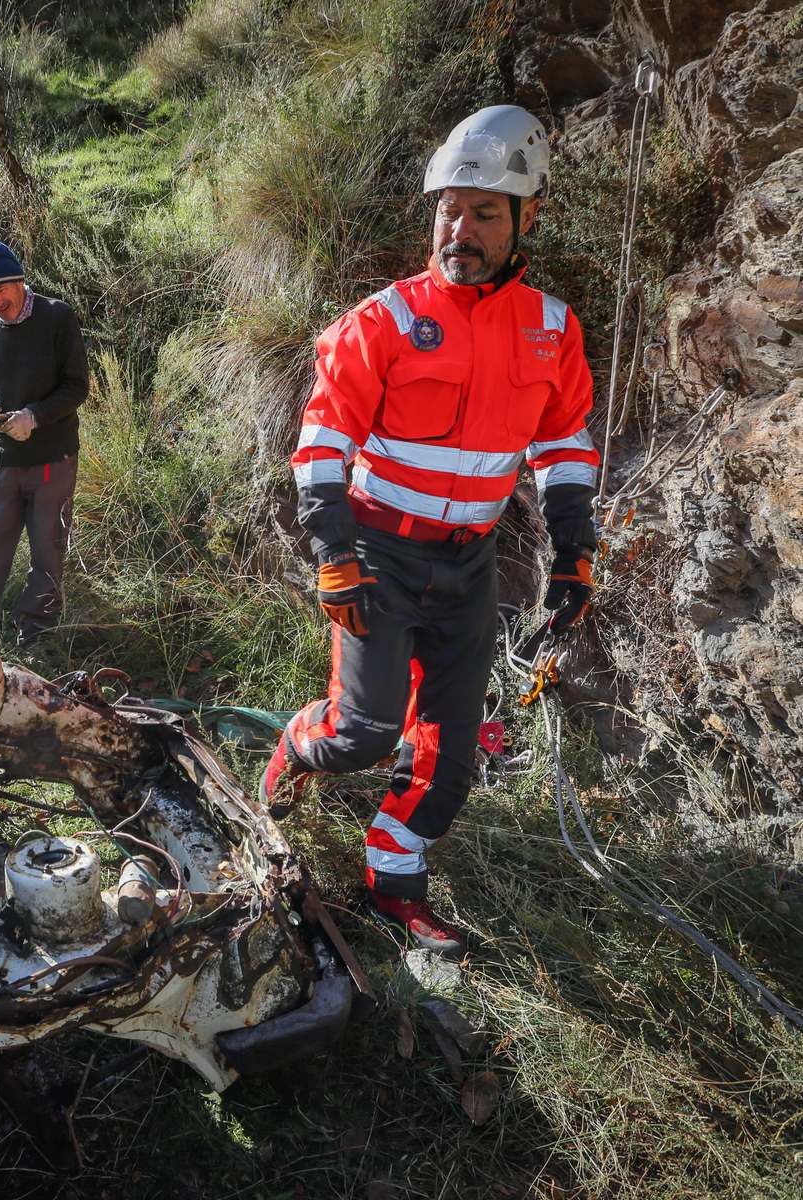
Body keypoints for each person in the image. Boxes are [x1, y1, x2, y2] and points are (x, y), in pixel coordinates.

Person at [262, 106, 600, 955]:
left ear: (527, 218)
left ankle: (393, 885)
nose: (460, 229)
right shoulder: (380, 321)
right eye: (449, 210)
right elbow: (322, 442)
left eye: (483, 213)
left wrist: (573, 555)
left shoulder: (552, 328)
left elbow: (562, 446)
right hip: (378, 551)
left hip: (468, 565)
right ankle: (300, 742)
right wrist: (333, 551)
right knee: (365, 734)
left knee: (450, 754)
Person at [0, 241, 89, 648]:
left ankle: (36, 636)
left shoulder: (57, 317)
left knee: (47, 552)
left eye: (1, 289)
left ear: (19, 280)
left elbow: (76, 387)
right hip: (0, 461)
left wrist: (33, 416)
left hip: (52, 460)